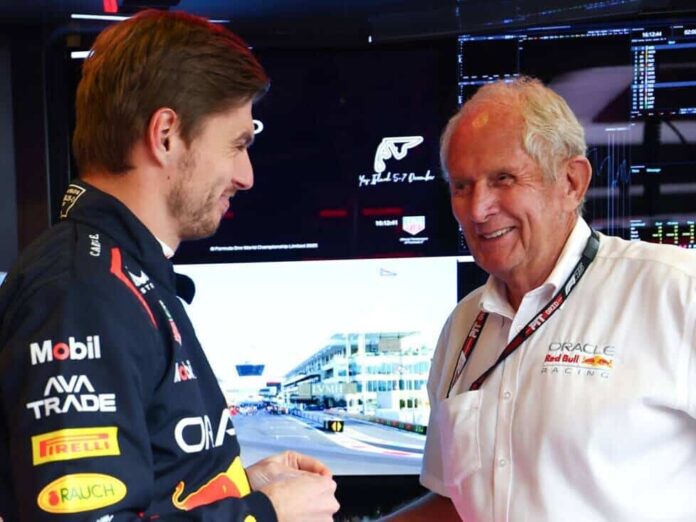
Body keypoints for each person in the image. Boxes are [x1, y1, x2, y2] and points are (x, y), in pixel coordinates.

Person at [0, 10, 339, 522]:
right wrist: (264, 515)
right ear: (165, 136)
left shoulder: (126, 276)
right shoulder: (80, 293)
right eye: (238, 144)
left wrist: (239, 487)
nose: (246, 175)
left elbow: (150, 487)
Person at [385, 77, 696, 521]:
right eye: (462, 186)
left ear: (571, 182)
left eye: (503, 179)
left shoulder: (677, 292)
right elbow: (456, 505)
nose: (478, 209)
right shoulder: (463, 325)